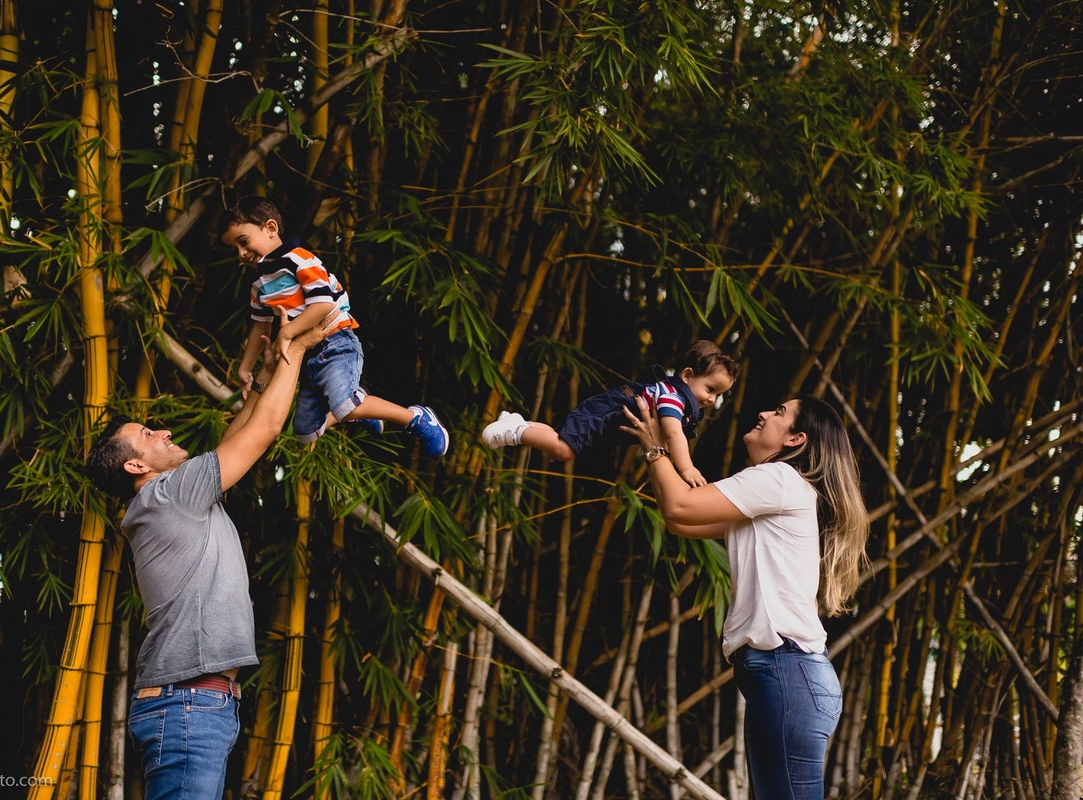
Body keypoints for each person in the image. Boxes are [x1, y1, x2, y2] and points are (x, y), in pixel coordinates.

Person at [84, 314, 336, 800]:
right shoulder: (169, 495)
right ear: (136, 465)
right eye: (147, 434)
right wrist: (296, 348)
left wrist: (264, 375)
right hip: (187, 706)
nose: (162, 431)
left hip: (193, 704)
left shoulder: (166, 498)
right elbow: (264, 429)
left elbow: (235, 439)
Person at [621, 393, 870, 799]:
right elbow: (681, 520)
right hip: (790, 676)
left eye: (779, 412)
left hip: (788, 674)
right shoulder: (777, 490)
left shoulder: (779, 478)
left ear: (795, 439)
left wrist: (655, 448)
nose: (764, 412)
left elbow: (681, 508)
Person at [220, 195, 448, 457]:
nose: (241, 253)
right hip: (306, 359)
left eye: (243, 241)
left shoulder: (299, 259)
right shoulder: (259, 285)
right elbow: (259, 327)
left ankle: (415, 418)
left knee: (343, 405)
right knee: (305, 432)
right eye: (234, 249)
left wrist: (287, 331)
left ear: (270, 228)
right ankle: (357, 405)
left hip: (335, 342)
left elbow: (323, 304)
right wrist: (245, 368)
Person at [481, 340, 738, 486]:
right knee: (564, 450)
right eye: (710, 389)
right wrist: (687, 468)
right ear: (688, 375)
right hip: (607, 412)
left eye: (718, 395)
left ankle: (519, 423)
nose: (711, 399)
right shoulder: (673, 397)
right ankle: (517, 432)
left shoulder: (675, 398)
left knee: (559, 440)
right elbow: (673, 434)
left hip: (608, 416)